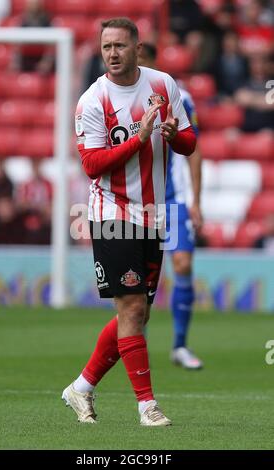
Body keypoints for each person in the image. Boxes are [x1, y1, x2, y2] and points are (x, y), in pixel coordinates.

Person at [62, 18, 196, 426]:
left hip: (153, 214)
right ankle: (147, 407)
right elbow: (91, 165)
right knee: (133, 305)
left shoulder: (163, 85)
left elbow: (189, 143)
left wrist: (172, 135)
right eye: (106, 48)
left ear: (138, 48)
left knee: (136, 314)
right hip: (111, 212)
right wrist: (137, 139)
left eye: (120, 46)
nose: (113, 54)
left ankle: (80, 388)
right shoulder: (92, 101)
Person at [138, 43, 203, 370]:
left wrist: (196, 201)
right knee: (136, 277)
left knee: (181, 265)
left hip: (174, 199)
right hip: (138, 200)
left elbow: (194, 149)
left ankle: (179, 345)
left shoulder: (179, 97)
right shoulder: (114, 98)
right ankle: (135, 344)